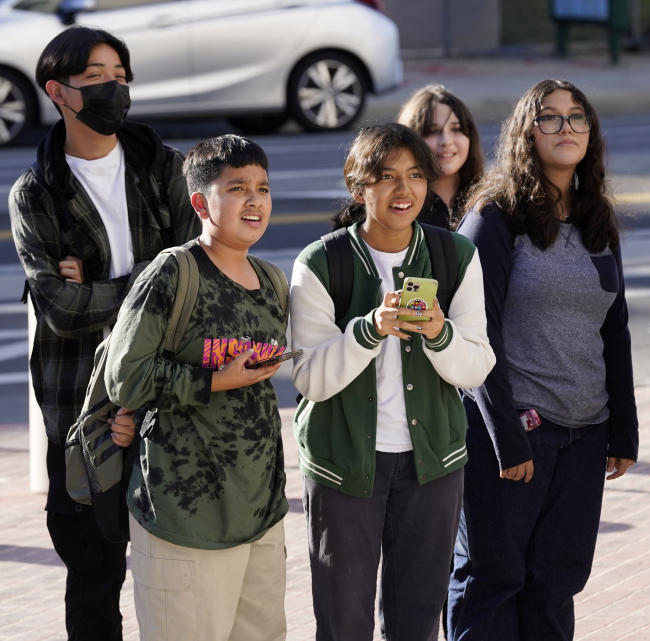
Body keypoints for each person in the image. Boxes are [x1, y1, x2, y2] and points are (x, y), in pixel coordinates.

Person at [7, 26, 199, 641]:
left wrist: (105, 284)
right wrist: (149, 280)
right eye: (95, 77)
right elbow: (61, 309)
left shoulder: (160, 165)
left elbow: (192, 280)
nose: (113, 87)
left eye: (120, 74)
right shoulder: (37, 192)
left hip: (165, 389)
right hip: (79, 401)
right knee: (91, 570)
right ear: (58, 92)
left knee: (177, 565)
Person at [447, 79, 639, 641]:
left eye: (577, 117)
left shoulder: (597, 217)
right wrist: (509, 438)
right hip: (514, 435)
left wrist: (622, 430)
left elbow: (616, 328)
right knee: (493, 581)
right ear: (526, 133)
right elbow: (475, 332)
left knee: (557, 585)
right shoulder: (495, 217)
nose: (566, 128)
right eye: (550, 118)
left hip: (585, 436)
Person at [290, 123, 494, 641]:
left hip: (432, 466)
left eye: (414, 176)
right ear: (359, 188)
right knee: (343, 621)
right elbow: (311, 379)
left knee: (418, 621)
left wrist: (440, 335)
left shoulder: (455, 256)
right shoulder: (321, 262)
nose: (404, 191)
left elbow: (477, 366)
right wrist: (368, 330)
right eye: (386, 177)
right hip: (343, 467)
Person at [104, 134, 289, 641]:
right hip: (184, 522)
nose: (255, 200)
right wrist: (213, 380)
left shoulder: (272, 282)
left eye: (263, 188)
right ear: (202, 203)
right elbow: (125, 376)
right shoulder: (173, 272)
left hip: (261, 517)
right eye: (238, 188)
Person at [397, 83, 484, 229]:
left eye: (456, 129)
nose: (446, 141)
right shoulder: (396, 207)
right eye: (432, 131)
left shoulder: (488, 202)